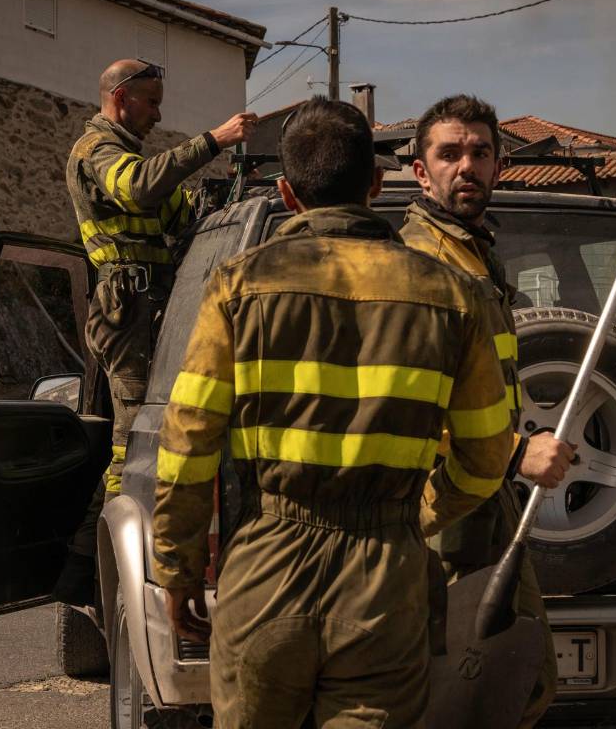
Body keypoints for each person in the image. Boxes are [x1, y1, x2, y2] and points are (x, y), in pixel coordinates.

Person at [151, 97, 513, 727]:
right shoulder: (453, 296)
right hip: (387, 582)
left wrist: (178, 569)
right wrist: (418, 515)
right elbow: (487, 456)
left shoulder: (238, 284)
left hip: (267, 566)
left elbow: (189, 440)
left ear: (287, 194)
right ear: (377, 184)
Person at [400, 94, 575, 727]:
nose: (466, 166)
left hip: (486, 492)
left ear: (499, 166)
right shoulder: (421, 262)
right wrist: (516, 452)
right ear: (421, 172)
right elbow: (414, 399)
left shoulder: (475, 252)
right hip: (440, 504)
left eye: (479, 153)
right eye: (449, 154)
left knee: (519, 681)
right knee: (463, 687)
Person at [66, 58, 258, 501]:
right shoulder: (95, 150)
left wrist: (232, 191)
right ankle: (113, 523)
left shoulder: (131, 158)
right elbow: (138, 187)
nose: (158, 114)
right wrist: (213, 140)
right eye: (151, 103)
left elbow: (182, 216)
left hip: (149, 305)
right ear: (121, 97)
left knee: (156, 426)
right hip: (126, 305)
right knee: (133, 436)